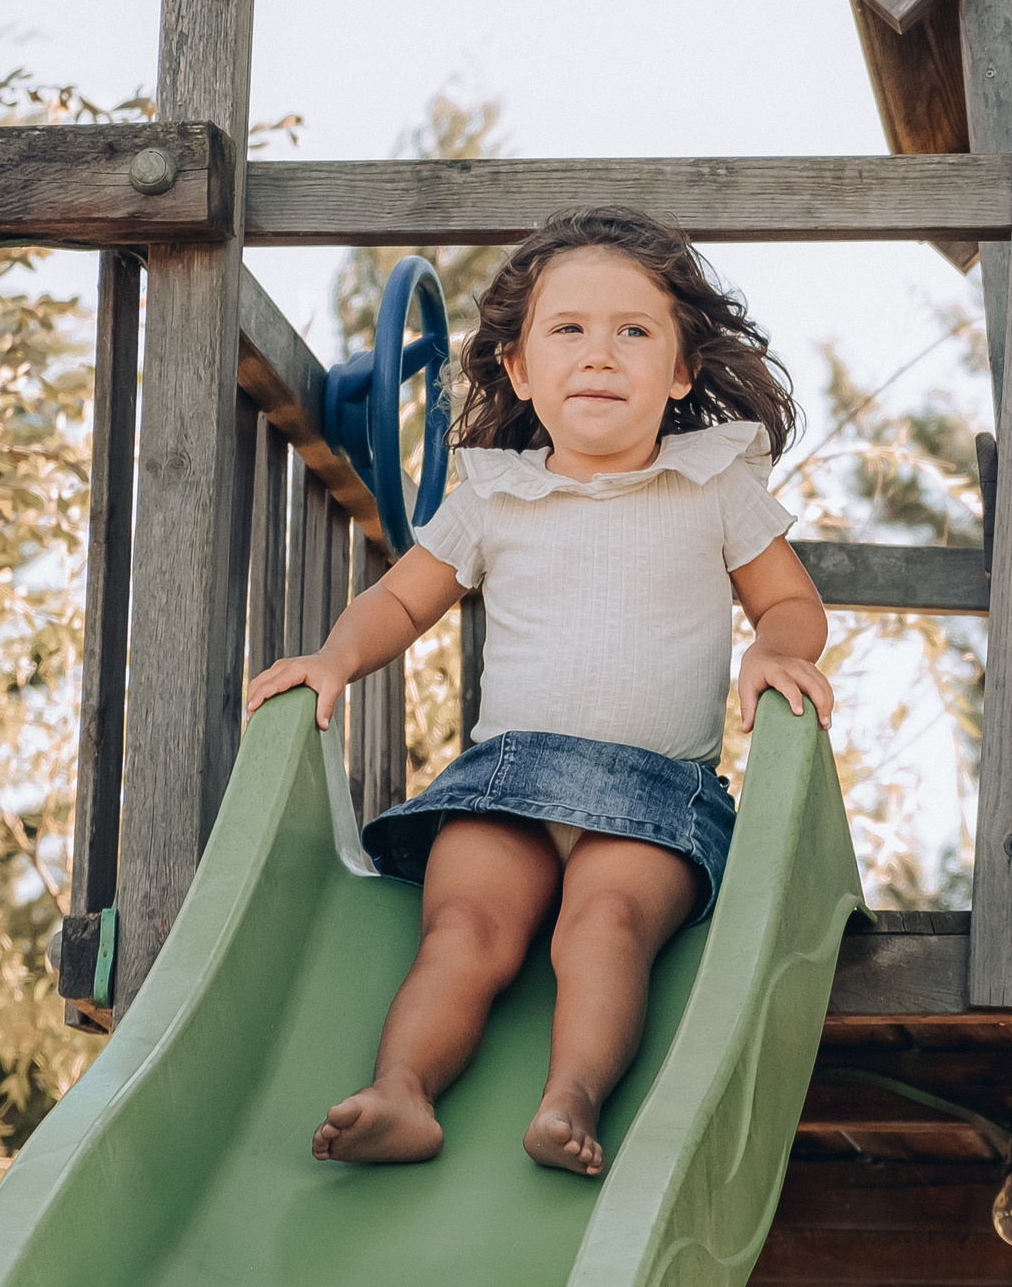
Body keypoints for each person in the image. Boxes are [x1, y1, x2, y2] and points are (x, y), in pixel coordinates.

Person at [243, 207, 832, 1175]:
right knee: (462, 927)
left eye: (633, 330)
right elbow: (400, 598)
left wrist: (774, 649)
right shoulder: (491, 494)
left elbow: (791, 602)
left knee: (606, 926)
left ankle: (571, 1096)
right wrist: (334, 658)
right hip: (507, 781)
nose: (599, 352)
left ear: (680, 370)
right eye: (568, 329)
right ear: (518, 369)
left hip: (654, 793)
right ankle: (401, 1088)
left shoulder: (712, 483)